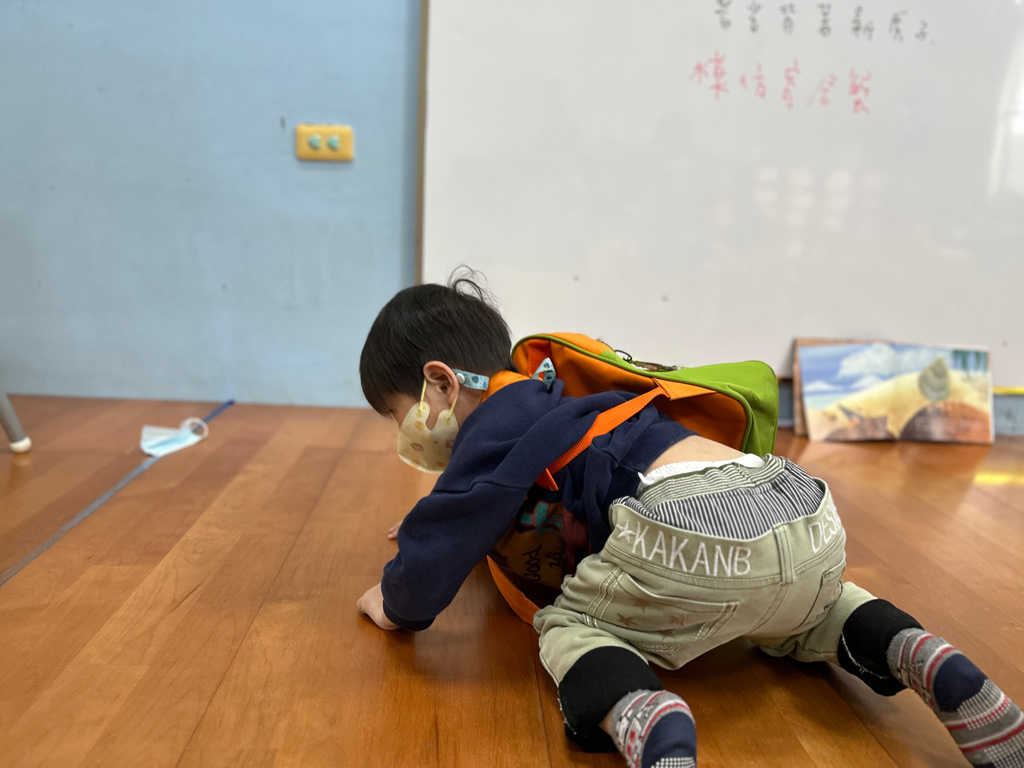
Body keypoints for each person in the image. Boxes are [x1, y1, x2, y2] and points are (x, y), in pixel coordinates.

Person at [356, 274, 1024, 768]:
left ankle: (641, 713)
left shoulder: (494, 422)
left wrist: (392, 601)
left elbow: (444, 539)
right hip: (797, 507)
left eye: (397, 413)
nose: (404, 434)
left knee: (566, 625)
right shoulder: (562, 400)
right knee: (817, 610)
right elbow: (505, 509)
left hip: (685, 527)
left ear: (441, 383)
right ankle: (916, 651)